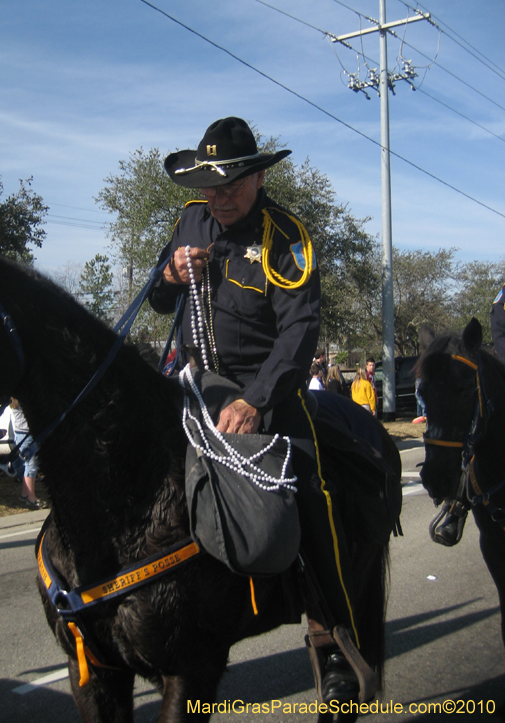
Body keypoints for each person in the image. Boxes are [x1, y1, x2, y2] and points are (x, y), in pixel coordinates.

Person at [149, 116, 361, 702]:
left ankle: (332, 634)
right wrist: (168, 272)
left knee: (312, 486)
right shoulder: (190, 218)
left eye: (231, 187)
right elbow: (159, 297)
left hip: (263, 388)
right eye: (210, 187)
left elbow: (299, 331)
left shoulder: (286, 235)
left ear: (259, 176)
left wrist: (255, 401)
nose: (219, 199)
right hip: (193, 384)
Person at [10, 398, 47, 510]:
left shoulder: (13, 403)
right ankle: (32, 499)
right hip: (26, 435)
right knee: (31, 467)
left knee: (28, 465)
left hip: (20, 435)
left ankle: (24, 495)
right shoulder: (22, 403)